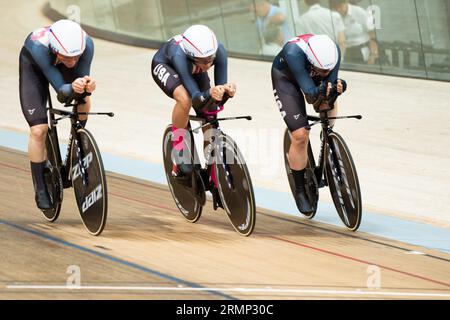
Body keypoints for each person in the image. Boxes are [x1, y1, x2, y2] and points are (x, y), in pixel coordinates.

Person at [19, 19, 95, 210]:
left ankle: (78, 138)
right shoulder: (38, 47)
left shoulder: (87, 45)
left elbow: (81, 84)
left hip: (57, 65)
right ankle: (41, 188)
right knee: (38, 130)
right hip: (34, 69)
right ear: (54, 49)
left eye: (76, 57)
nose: (73, 62)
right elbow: (61, 92)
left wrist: (86, 86)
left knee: (84, 97)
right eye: (67, 57)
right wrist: (71, 87)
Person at [271, 34, 346, 214]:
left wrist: (338, 86)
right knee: (300, 135)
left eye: (328, 69)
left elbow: (329, 85)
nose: (326, 73)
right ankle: (300, 190)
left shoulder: (332, 51)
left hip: (310, 75)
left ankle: (327, 136)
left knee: (327, 101)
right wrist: (322, 88)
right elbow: (310, 95)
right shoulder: (292, 53)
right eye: (322, 70)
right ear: (311, 62)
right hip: (286, 79)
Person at [151, 24, 236, 178]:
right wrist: (210, 92)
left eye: (211, 59)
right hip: (166, 65)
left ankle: (210, 164)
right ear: (192, 56)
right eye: (203, 61)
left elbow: (216, 101)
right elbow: (196, 97)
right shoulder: (179, 56)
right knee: (185, 100)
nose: (208, 64)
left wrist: (226, 92)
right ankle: (179, 148)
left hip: (192, 69)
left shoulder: (219, 51)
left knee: (210, 115)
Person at [331, 0, 379, 64]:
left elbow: (372, 34)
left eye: (340, 6)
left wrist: (373, 54)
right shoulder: (335, 15)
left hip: (361, 50)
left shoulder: (360, 12)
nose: (339, 9)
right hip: (345, 51)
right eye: (336, 8)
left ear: (346, 2)